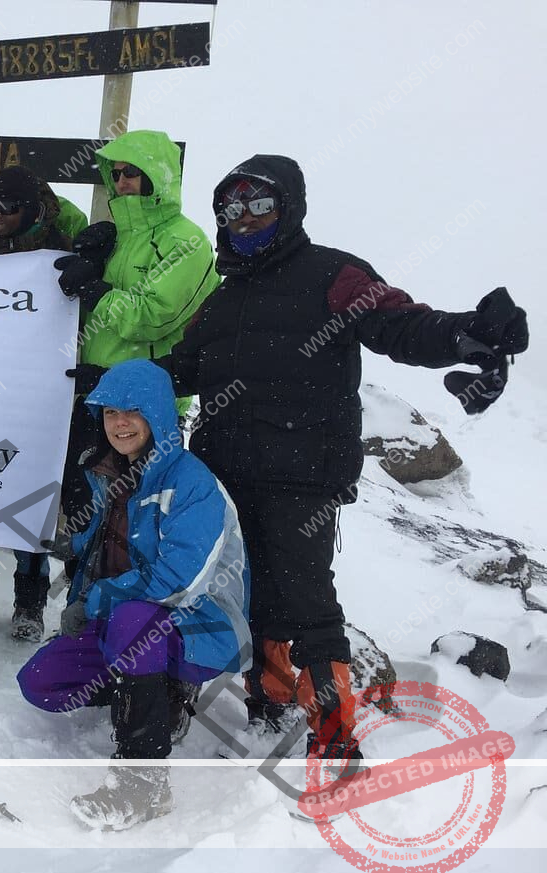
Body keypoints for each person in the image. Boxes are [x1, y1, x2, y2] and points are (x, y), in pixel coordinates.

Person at [170, 155, 529, 768]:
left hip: (303, 474)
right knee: (245, 592)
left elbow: (399, 324)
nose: (245, 218)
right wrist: (110, 382)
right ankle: (268, 701)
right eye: (232, 208)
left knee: (308, 603)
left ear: (289, 207)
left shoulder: (333, 274)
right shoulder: (225, 297)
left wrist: (467, 334)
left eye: (260, 203)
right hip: (225, 473)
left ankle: (336, 738)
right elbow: (182, 366)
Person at [17, 359, 250, 830]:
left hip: (205, 625)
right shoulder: (107, 477)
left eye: (132, 411)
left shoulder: (192, 482)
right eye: (109, 413)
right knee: (43, 681)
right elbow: (96, 557)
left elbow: (178, 582)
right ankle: (154, 691)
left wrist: (97, 602)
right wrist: (77, 601)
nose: (119, 423)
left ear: (159, 414)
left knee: (131, 620)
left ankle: (143, 784)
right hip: (132, 621)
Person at [53, 130, 219, 549]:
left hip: (151, 405)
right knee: (84, 513)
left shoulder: (187, 240)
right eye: (117, 173)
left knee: (136, 522)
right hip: (96, 394)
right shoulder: (118, 237)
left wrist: (97, 290)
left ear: (157, 177)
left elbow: (151, 317)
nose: (122, 181)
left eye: (133, 173)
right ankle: (86, 606)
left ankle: (134, 609)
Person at [0, 165, 74, 641]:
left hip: (34, 393)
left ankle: (29, 602)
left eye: (7, 206)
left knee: (29, 500)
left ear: (32, 210)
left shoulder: (59, 249)